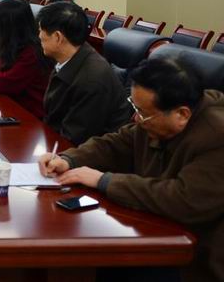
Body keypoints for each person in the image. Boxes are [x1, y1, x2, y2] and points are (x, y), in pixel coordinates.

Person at [38, 57, 224, 282]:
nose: (137, 118)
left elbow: (184, 200)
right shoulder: (156, 118)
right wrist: (69, 159)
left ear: (182, 114)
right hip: (157, 231)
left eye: (143, 112)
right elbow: (116, 144)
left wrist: (104, 180)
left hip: (198, 257)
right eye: (135, 107)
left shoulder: (216, 135)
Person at [36, 1, 131, 145]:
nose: (39, 36)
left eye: (41, 31)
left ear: (57, 37)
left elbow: (74, 139)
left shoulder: (91, 79)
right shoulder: (73, 57)